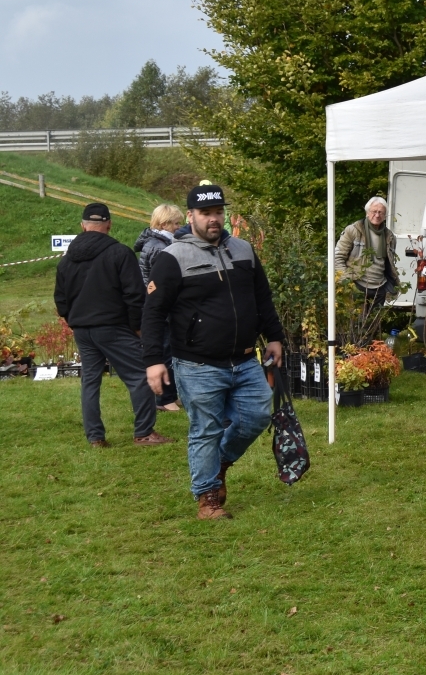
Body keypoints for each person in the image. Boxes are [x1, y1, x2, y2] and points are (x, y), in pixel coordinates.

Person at [143, 184, 286, 520]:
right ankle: (208, 498)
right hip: (197, 364)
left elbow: (262, 298)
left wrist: (275, 337)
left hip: (245, 358)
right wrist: (152, 361)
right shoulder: (172, 258)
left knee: (257, 416)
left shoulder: (243, 250)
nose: (213, 219)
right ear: (190, 215)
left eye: (218, 212)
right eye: (206, 213)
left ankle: (219, 462)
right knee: (205, 428)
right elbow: (152, 313)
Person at [53, 203, 172, 448]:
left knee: (90, 381)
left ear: (82, 226)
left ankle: (95, 437)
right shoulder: (119, 253)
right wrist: (138, 328)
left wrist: (73, 319)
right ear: (109, 224)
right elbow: (135, 296)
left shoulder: (67, 260)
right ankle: (144, 432)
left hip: (82, 329)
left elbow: (60, 299)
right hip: (113, 327)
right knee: (140, 374)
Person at [135, 203, 185, 411]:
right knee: (165, 351)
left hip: (166, 305)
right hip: (162, 306)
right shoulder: (159, 247)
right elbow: (162, 280)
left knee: (170, 349)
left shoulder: (160, 243)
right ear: (164, 224)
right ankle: (164, 399)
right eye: (176, 223)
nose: (179, 227)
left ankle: (171, 394)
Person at [334, 195, 399, 305]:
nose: (377, 215)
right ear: (367, 212)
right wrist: (347, 283)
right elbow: (337, 258)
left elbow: (389, 265)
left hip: (380, 289)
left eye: (381, 212)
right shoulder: (353, 230)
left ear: (385, 216)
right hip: (356, 286)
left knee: (375, 322)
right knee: (357, 322)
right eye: (374, 211)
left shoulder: (390, 236)